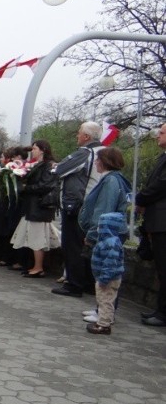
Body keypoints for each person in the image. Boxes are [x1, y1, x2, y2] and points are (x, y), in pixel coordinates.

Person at [76, 147, 131, 329]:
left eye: (98, 160)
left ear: (104, 161)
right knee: (103, 272)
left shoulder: (110, 181)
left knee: (105, 272)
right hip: (109, 231)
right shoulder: (113, 179)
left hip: (106, 232)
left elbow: (103, 209)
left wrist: (93, 233)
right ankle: (101, 308)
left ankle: (105, 312)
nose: (96, 163)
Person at [53, 121, 104, 298]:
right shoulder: (105, 152)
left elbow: (59, 169)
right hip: (97, 206)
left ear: (87, 137)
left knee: (73, 246)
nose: (77, 135)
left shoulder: (85, 153)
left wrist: (56, 166)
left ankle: (73, 285)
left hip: (78, 207)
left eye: (79, 132)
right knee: (89, 245)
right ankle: (89, 284)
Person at [10, 140, 60, 278]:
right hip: (32, 205)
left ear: (42, 150)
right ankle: (34, 265)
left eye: (35, 148)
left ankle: (38, 267)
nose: (33, 151)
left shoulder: (48, 165)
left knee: (37, 238)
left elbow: (45, 185)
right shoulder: (37, 164)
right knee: (31, 237)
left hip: (39, 206)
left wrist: (26, 188)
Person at [137, 123, 166, 327]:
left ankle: (163, 313)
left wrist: (141, 198)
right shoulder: (162, 157)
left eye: (162, 133)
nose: (157, 136)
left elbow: (160, 185)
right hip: (157, 221)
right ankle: (160, 309)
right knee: (161, 268)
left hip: (163, 222)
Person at [85, 212, 128, 335]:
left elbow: (110, 264)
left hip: (108, 279)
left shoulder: (111, 243)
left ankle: (104, 325)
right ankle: (102, 320)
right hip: (103, 277)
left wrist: (104, 278)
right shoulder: (107, 241)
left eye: (100, 225)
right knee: (103, 299)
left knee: (106, 301)